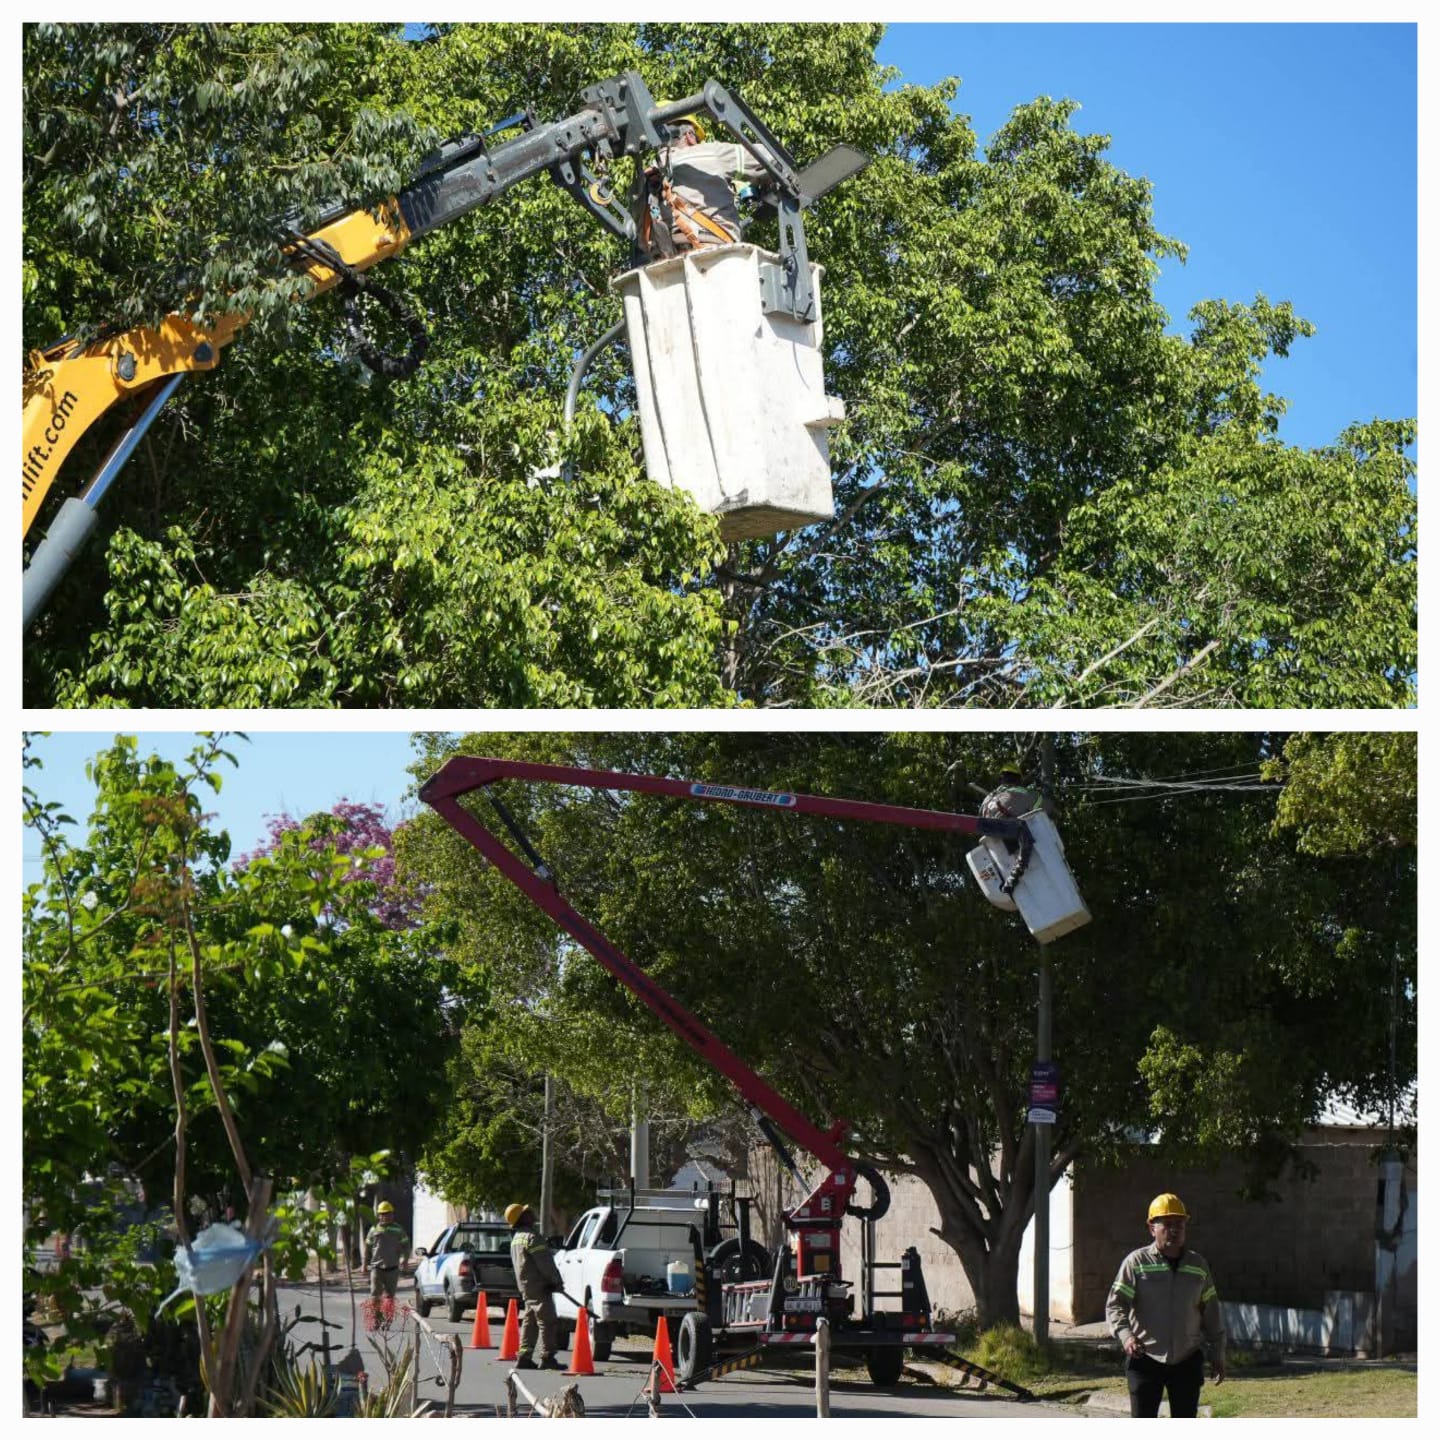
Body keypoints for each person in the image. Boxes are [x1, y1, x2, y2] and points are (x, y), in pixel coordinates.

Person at [1106, 1193, 1226, 1418]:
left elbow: (1211, 1311)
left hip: (1186, 1359)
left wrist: (1218, 1353)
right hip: (1145, 1358)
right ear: (1152, 1228)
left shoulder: (1198, 1265)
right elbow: (1116, 1305)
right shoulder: (1136, 1263)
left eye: (1179, 1224)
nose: (1174, 1230)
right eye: (1168, 1224)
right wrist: (1127, 1337)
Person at [635, 113, 771, 259]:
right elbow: (769, 158)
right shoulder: (710, 153)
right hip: (715, 255)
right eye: (697, 138)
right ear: (689, 136)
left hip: (664, 263)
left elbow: (641, 240)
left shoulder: (643, 179)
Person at [506, 1202, 564, 1370]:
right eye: (527, 1212)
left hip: (526, 1286)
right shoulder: (532, 1237)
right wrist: (555, 1281)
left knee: (530, 1320)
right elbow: (544, 1262)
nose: (532, 1213)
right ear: (522, 1218)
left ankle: (524, 1356)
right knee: (547, 1321)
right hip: (539, 1285)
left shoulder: (516, 1239)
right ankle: (548, 1357)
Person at [362, 1200, 410, 1303]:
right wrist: (364, 1265)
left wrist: (405, 1260)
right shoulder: (374, 1229)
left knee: (390, 1297)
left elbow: (406, 1245)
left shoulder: (398, 1229)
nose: (386, 1216)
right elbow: (367, 1247)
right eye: (383, 1214)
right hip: (377, 1268)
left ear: (392, 1215)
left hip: (392, 1269)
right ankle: (376, 1314)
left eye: (389, 1214)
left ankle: (388, 1314)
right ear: (379, 1216)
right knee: (375, 1296)